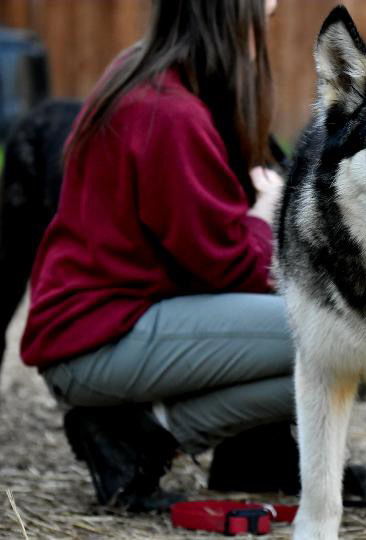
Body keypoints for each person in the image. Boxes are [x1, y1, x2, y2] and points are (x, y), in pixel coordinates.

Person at [18, 0, 310, 512]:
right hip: (96, 339)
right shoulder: (168, 112)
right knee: (335, 337)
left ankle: (137, 431)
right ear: (226, 14)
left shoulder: (146, 73)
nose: (271, 12)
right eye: (261, 8)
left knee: (333, 346)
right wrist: (264, 215)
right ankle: (143, 435)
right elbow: (226, 264)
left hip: (108, 326)